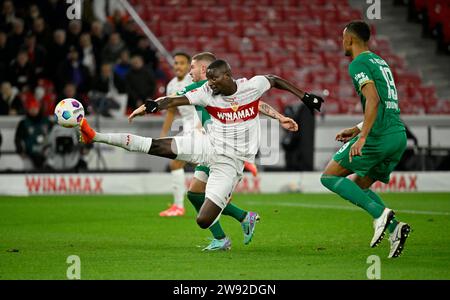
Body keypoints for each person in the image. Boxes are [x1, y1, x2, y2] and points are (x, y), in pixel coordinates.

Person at [79, 59, 323, 249]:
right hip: (208, 146)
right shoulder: (206, 92)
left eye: (215, 79)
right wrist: (152, 105)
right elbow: (175, 100)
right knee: (156, 146)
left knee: (203, 220)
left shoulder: (252, 86)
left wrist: (305, 97)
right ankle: (96, 135)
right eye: (209, 80)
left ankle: (241, 220)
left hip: (230, 163)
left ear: (227, 76)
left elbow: (275, 79)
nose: (211, 84)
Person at [320, 21, 411, 259]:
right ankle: (395, 228)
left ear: (349, 39)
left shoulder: (357, 63)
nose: (342, 43)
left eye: (342, 38)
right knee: (358, 185)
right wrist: (356, 128)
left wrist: (363, 136)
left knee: (329, 176)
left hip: (378, 136)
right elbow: (386, 103)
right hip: (397, 135)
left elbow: (373, 100)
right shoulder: (380, 62)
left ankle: (380, 215)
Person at [158, 52, 194, 217]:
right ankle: (179, 206)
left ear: (188, 66)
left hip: (200, 127)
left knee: (176, 164)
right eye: (176, 63)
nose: (178, 66)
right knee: (197, 166)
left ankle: (178, 207)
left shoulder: (194, 81)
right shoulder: (171, 85)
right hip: (188, 128)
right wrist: (164, 133)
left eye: (181, 63)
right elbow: (171, 111)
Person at [14, 99, 53, 170]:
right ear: (28, 109)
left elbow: (53, 136)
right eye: (31, 108)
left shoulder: (47, 121)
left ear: (38, 108)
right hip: (29, 154)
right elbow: (18, 138)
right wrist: (20, 151)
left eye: (35, 108)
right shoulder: (23, 123)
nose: (33, 110)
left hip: (46, 153)